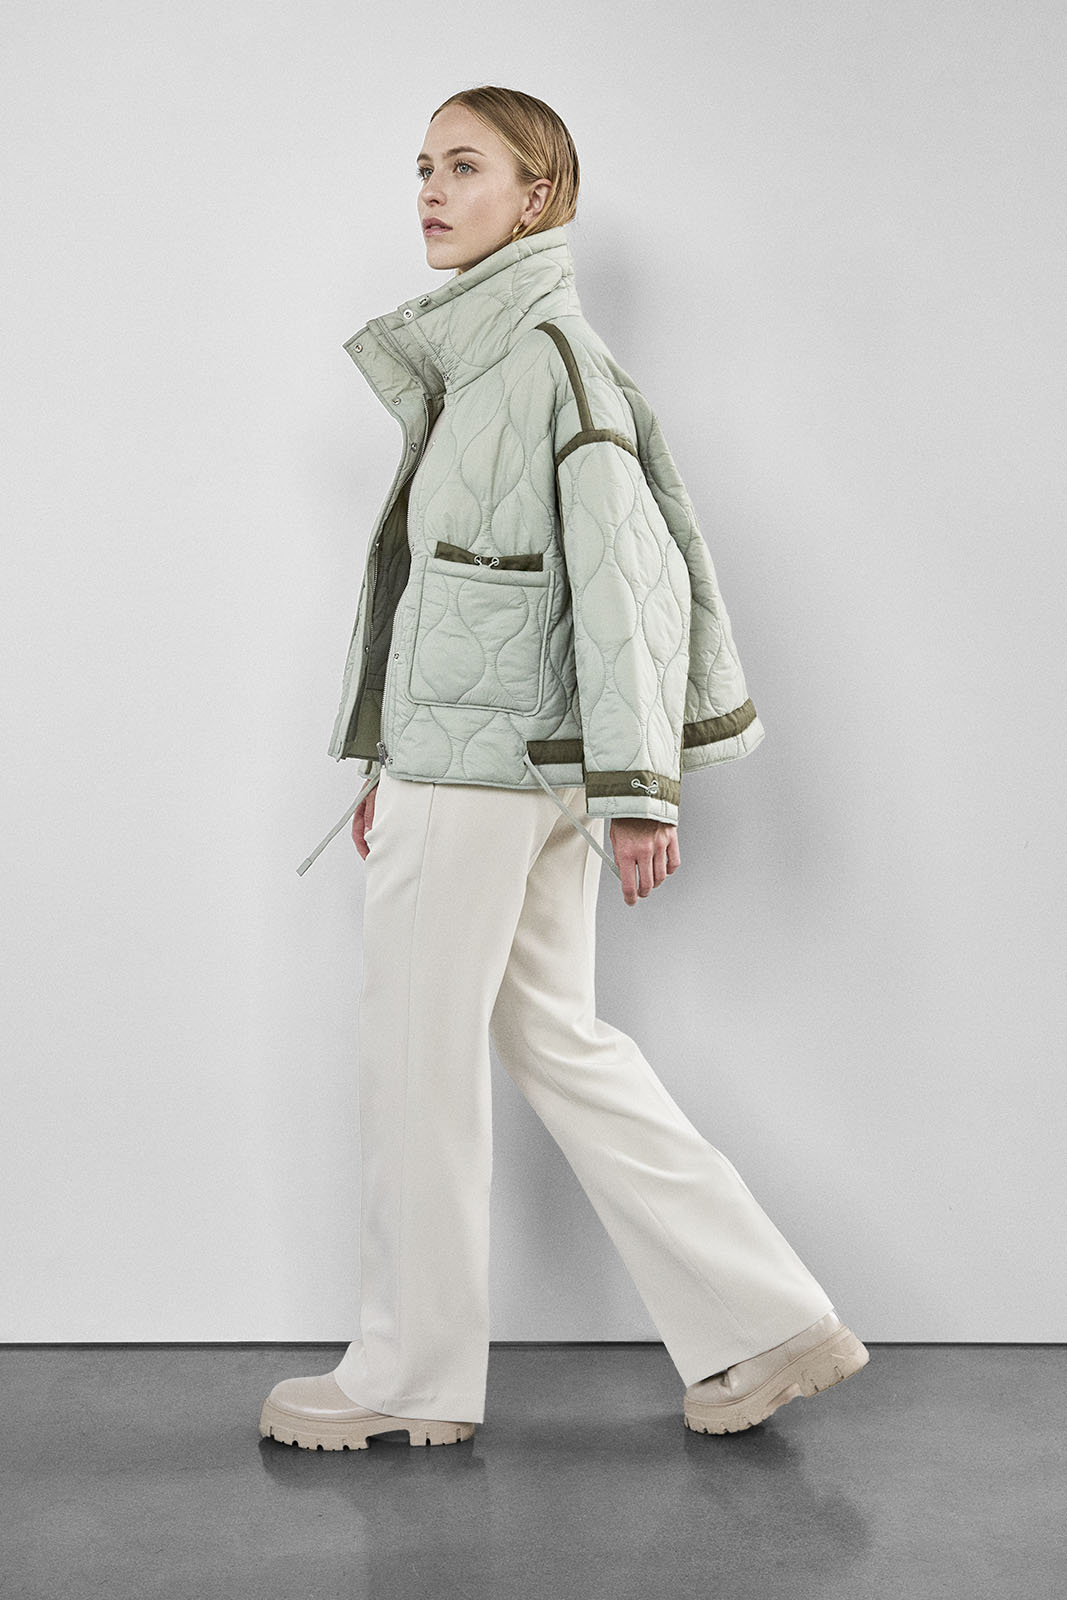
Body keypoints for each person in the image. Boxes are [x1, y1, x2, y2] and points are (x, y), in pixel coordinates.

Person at [260, 85, 868, 1451]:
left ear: (537, 197)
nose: (430, 190)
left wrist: (640, 786)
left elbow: (623, 583)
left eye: (463, 166)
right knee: (557, 1040)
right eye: (423, 166)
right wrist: (397, 761)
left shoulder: (543, 364)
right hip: (493, 769)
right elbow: (484, 596)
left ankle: (406, 1377)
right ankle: (765, 1319)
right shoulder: (504, 364)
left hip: (488, 781)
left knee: (415, 1062)